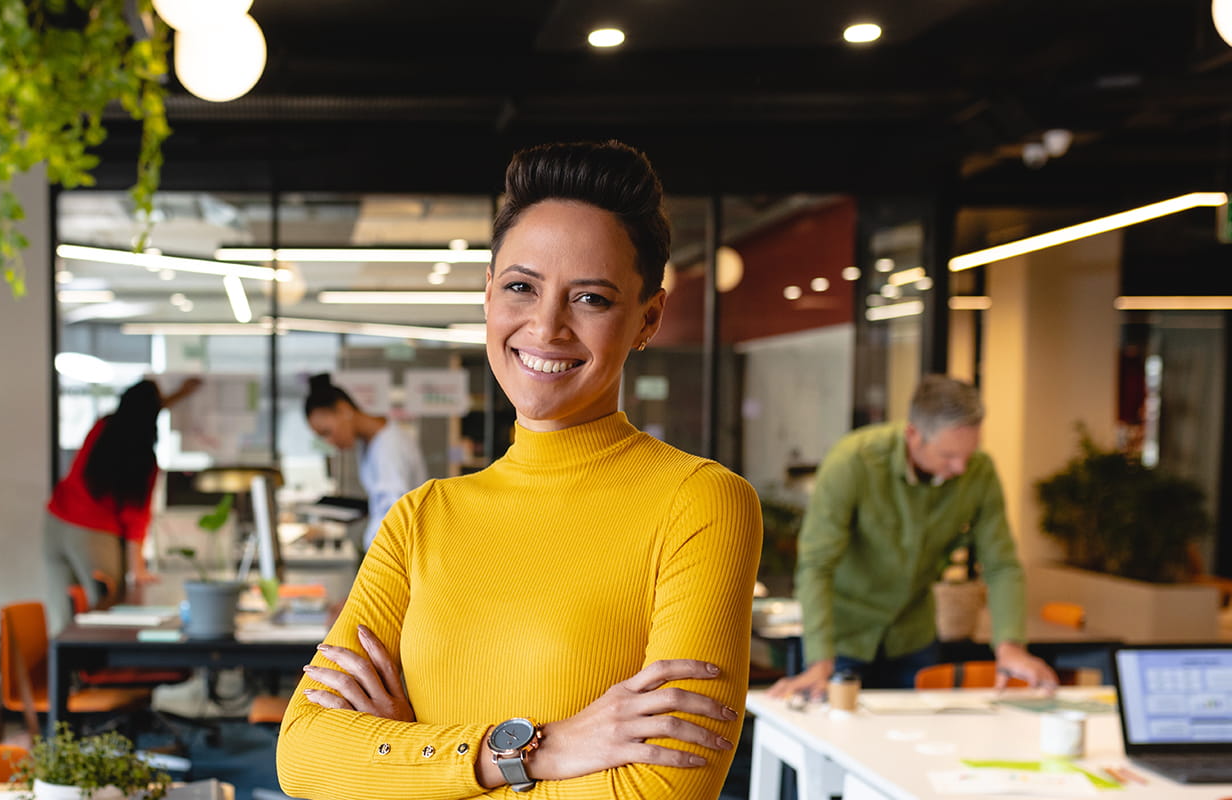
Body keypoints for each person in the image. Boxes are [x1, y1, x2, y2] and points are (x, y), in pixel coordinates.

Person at [276, 141, 763, 800]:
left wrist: (406, 766)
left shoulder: (701, 503)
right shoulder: (422, 518)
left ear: (648, 317)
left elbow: (657, 792)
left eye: (590, 298)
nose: (546, 326)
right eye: (521, 287)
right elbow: (304, 753)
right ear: (488, 294)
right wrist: (538, 749)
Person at [768, 377, 1057, 699]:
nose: (961, 467)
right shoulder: (853, 462)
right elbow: (817, 565)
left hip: (913, 637)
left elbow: (1002, 565)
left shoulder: (979, 472)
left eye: (968, 454)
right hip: (841, 638)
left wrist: (1010, 648)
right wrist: (819, 661)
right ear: (912, 434)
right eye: (948, 455)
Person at [44, 377, 201, 628]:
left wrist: (181, 393)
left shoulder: (102, 426)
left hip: (55, 523)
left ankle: (65, 667)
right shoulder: (143, 459)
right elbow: (135, 518)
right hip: (92, 532)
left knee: (63, 615)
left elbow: (141, 409)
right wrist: (137, 569)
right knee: (109, 609)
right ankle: (99, 668)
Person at [304, 374, 429, 551]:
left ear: (344, 410)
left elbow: (394, 513)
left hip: (397, 553)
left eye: (327, 432)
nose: (329, 442)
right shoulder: (370, 443)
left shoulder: (389, 447)